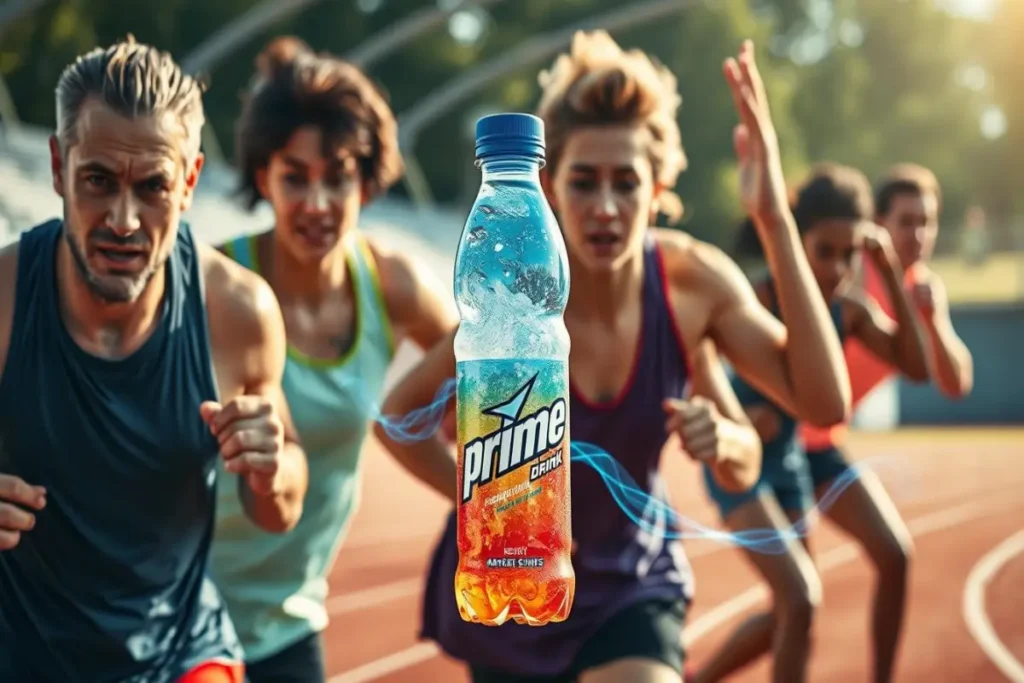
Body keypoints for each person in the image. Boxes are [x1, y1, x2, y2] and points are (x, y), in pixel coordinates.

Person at [375, 32, 852, 683]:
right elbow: (396, 416)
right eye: (584, 181)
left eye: (626, 183)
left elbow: (821, 405)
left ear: (657, 189)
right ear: (546, 184)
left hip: (630, 589)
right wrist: (477, 500)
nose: (605, 207)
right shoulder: (516, 299)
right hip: (517, 579)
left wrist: (773, 217)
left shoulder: (689, 287)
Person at [0, 37, 310, 683]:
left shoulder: (239, 313)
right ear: (59, 167)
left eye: (152, 187)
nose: (124, 219)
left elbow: (278, 509)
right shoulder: (4, 301)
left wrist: (272, 465)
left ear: (190, 180)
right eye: (97, 180)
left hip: (180, 655)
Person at [206, 37, 458, 683]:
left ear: (367, 182)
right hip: (182, 606)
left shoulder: (391, 284)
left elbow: (478, 395)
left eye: (338, 175)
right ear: (262, 176)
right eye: (296, 176)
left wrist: (485, 492)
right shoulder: (215, 283)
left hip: (291, 617)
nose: (317, 203)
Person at [695, 163, 930, 683]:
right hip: (742, 462)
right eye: (826, 251)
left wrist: (889, 270)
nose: (839, 267)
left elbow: (917, 367)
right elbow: (696, 356)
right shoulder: (756, 298)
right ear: (795, 242)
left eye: (851, 254)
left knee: (799, 607)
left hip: (794, 460)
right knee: (799, 599)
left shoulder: (849, 310)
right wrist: (737, 415)